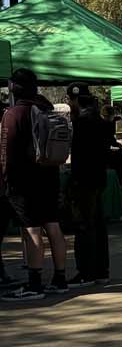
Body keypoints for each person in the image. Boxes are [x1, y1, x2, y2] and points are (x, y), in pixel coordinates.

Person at [0, 68, 70, 300]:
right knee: (53, 226)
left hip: (24, 181)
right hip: (49, 175)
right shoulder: (45, 107)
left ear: (13, 87)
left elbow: (6, 151)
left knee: (31, 229)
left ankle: (34, 283)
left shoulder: (14, 113)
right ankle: (60, 279)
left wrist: (6, 180)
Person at [65, 84, 114, 286]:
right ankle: (101, 270)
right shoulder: (101, 122)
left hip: (83, 180)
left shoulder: (80, 124)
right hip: (98, 178)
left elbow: (78, 156)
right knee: (99, 225)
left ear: (75, 101)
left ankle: (86, 271)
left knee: (84, 226)